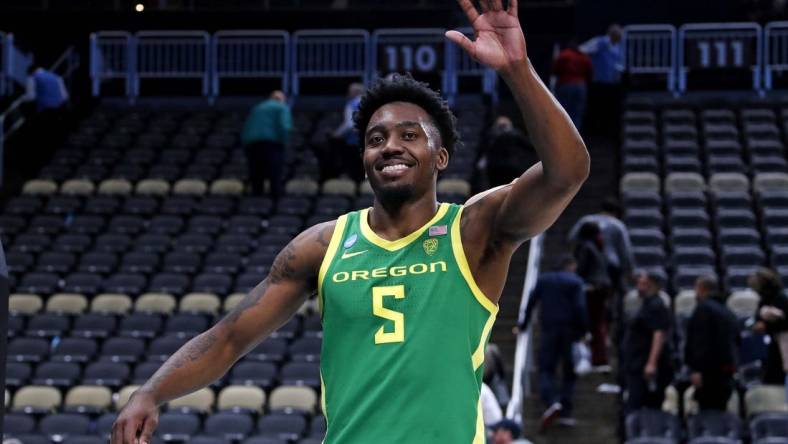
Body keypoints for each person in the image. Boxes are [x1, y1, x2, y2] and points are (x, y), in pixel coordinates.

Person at [111, 1, 590, 442]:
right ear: (364, 157)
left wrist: (517, 69)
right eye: (376, 138)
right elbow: (231, 336)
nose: (390, 146)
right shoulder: (322, 245)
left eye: (409, 135)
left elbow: (567, 172)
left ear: (440, 156)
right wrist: (151, 391)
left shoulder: (473, 230)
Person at [520, 255, 588, 430]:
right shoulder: (575, 282)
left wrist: (524, 324)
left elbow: (531, 301)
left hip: (548, 330)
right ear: (569, 265)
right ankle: (565, 408)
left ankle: (550, 401)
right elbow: (580, 307)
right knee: (569, 371)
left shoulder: (544, 279)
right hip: (569, 332)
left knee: (546, 368)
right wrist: (583, 331)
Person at [685, 275, 739, 411]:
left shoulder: (703, 309)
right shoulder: (728, 312)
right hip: (727, 371)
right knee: (720, 409)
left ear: (701, 289)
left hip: (709, 373)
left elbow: (700, 342)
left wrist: (697, 369)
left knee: (708, 411)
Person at [623, 270, 673, 412]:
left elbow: (659, 334)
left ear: (653, 285)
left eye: (643, 283)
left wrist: (651, 363)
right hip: (637, 361)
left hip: (644, 363)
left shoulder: (657, 305)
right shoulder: (647, 303)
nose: (639, 286)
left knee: (639, 402)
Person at [569, 198, 634, 297]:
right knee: (607, 296)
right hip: (610, 264)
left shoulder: (586, 220)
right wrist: (628, 269)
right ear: (616, 212)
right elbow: (624, 250)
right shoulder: (618, 225)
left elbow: (572, 237)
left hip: (587, 262)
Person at [240, 90, 292, 198]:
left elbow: (246, 128)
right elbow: (285, 127)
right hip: (272, 144)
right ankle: (275, 200)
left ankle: (256, 200)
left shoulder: (257, 108)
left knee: (256, 175)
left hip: (252, 145)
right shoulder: (281, 107)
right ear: (282, 99)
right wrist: (285, 142)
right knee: (275, 174)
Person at [574, 221, 611, 368]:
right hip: (602, 288)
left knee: (590, 324)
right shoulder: (598, 248)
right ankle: (598, 357)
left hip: (591, 289)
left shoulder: (585, 247)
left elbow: (582, 269)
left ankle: (595, 358)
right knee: (598, 324)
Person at [750, 268, 788, 395]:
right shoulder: (764, 299)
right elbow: (758, 317)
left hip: (783, 342)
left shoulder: (781, 299)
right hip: (771, 344)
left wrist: (766, 325)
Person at [580, 24, 624, 135]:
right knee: (597, 109)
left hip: (611, 84)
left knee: (608, 111)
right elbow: (582, 49)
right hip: (598, 83)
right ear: (613, 34)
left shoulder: (617, 47)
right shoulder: (600, 42)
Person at [327, 82, 365, 182]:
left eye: (349, 91)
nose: (348, 94)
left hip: (354, 141)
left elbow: (349, 124)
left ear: (355, 92)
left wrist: (336, 134)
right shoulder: (371, 104)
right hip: (368, 142)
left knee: (354, 169)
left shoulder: (351, 104)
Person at [552, 39, 592, 131]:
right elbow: (590, 73)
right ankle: (575, 138)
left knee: (562, 112)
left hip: (565, 85)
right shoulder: (584, 57)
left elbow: (555, 70)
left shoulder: (564, 55)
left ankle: (561, 133)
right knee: (577, 114)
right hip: (580, 86)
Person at [482, 116, 534, 187]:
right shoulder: (493, 135)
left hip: (505, 167)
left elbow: (529, 147)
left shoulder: (512, 135)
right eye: (501, 126)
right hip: (500, 167)